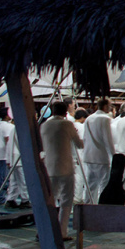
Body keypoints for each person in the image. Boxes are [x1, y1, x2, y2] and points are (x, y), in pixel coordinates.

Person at [40, 101, 84, 240]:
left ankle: (43, 229)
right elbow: (79, 144)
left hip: (49, 166)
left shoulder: (45, 125)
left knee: (49, 200)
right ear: (66, 111)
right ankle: (62, 231)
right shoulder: (67, 124)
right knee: (66, 201)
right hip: (65, 167)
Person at [82, 98, 116, 203]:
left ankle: (88, 205)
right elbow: (108, 139)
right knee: (104, 184)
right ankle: (102, 206)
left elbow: (85, 137)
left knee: (91, 185)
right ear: (105, 106)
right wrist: (114, 155)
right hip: (101, 157)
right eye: (110, 106)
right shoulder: (105, 119)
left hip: (89, 155)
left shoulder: (89, 118)